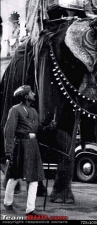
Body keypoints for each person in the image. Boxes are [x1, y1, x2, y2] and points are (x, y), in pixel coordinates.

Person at [3, 85, 45, 216]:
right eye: (31, 92)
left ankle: (30, 209)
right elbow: (8, 131)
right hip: (20, 147)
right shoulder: (15, 110)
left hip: (33, 147)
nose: (34, 94)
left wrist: (49, 127)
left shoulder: (34, 111)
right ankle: (7, 202)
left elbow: (39, 130)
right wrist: (8, 152)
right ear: (26, 96)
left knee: (34, 178)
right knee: (14, 176)